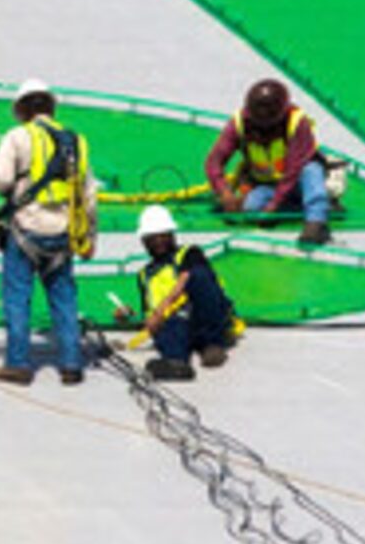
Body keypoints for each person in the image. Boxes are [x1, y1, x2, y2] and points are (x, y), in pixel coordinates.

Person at [0, 79, 91, 386]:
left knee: (17, 297)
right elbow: (87, 194)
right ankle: (71, 363)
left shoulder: (17, 137)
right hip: (63, 234)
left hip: (27, 230)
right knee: (64, 299)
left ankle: (18, 363)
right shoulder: (76, 141)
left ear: (21, 109)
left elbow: (0, 182)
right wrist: (88, 238)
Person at [206, 76, 336, 246]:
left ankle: (316, 221)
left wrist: (274, 205)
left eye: (269, 126)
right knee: (251, 209)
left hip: (298, 180)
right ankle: (295, 206)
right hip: (269, 185)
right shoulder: (238, 124)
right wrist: (224, 191)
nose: (263, 132)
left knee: (311, 170)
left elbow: (293, 170)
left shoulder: (297, 122)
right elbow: (214, 161)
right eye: (258, 125)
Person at [123, 207, 241, 382]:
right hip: (177, 322)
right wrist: (130, 317)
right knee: (171, 326)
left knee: (200, 276)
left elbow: (187, 277)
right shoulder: (144, 275)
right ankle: (176, 362)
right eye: (152, 238)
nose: (159, 242)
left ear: (172, 235)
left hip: (204, 316)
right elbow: (149, 313)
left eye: (163, 236)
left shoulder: (190, 253)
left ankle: (213, 345)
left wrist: (161, 310)